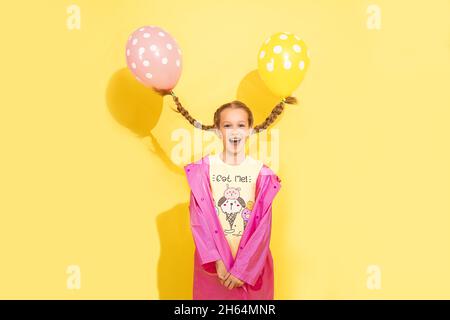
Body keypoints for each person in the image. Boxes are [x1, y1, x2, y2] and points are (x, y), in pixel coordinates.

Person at [170, 91, 297, 299]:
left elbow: (263, 229)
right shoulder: (203, 170)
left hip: (252, 269)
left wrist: (244, 270)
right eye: (227, 125)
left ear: (250, 130)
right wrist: (217, 262)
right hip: (215, 269)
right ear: (218, 131)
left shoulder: (262, 174)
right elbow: (199, 221)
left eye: (241, 125)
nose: (234, 132)